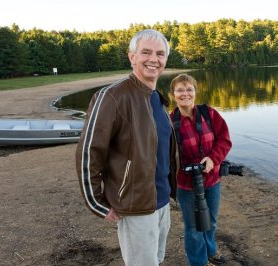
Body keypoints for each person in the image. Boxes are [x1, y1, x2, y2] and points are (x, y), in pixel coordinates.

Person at [75, 29, 179, 266]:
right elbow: (89, 152)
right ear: (132, 56)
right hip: (134, 207)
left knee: (157, 260)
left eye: (160, 54)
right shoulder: (112, 96)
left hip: (161, 202)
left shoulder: (156, 98)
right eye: (146, 52)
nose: (154, 59)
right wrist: (97, 203)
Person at [169, 74, 232, 266]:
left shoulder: (209, 114)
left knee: (211, 221)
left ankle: (211, 251)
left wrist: (213, 159)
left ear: (195, 92)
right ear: (173, 94)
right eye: (180, 90)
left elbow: (224, 139)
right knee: (193, 227)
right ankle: (199, 262)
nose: (185, 94)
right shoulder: (169, 122)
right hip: (186, 185)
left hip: (212, 180)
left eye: (189, 89)